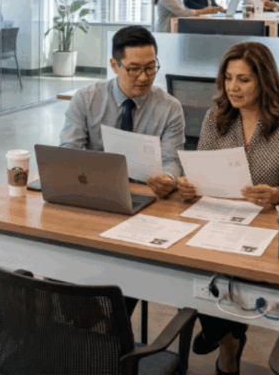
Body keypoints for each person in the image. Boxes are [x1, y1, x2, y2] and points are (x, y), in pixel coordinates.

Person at [175, 42, 279, 375]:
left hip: (264, 226)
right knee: (190, 263)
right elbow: (201, 170)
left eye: (244, 80)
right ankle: (227, 337)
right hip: (217, 217)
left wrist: (277, 195)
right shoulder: (216, 116)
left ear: (263, 81)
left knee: (216, 275)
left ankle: (221, 336)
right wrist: (188, 183)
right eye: (228, 78)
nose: (233, 88)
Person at [60, 25, 186, 322]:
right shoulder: (86, 99)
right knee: (67, 268)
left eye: (151, 67)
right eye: (133, 69)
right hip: (93, 201)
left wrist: (167, 179)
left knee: (124, 276)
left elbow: (171, 160)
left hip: (144, 207)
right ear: (114, 65)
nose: (144, 77)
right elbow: (69, 153)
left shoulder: (169, 108)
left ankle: (107, 331)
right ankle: (79, 327)